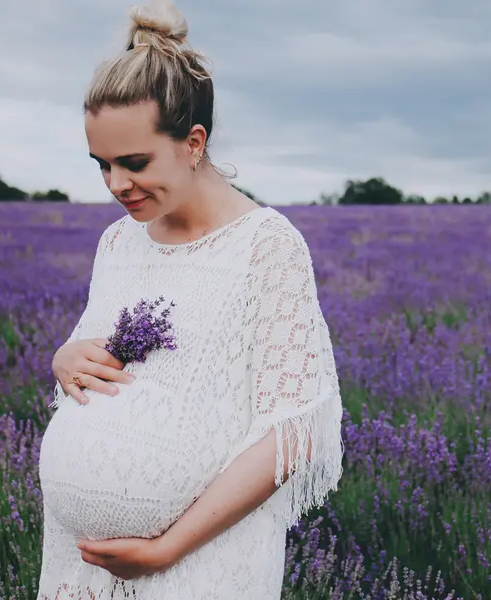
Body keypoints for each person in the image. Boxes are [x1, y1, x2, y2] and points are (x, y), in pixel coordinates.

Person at [36, 1, 344, 598]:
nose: (116, 185)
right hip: (81, 568)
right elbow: (98, 368)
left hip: (199, 564)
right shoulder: (118, 242)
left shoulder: (266, 247)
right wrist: (65, 359)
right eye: (101, 165)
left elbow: (295, 430)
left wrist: (164, 550)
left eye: (134, 162)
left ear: (194, 142)